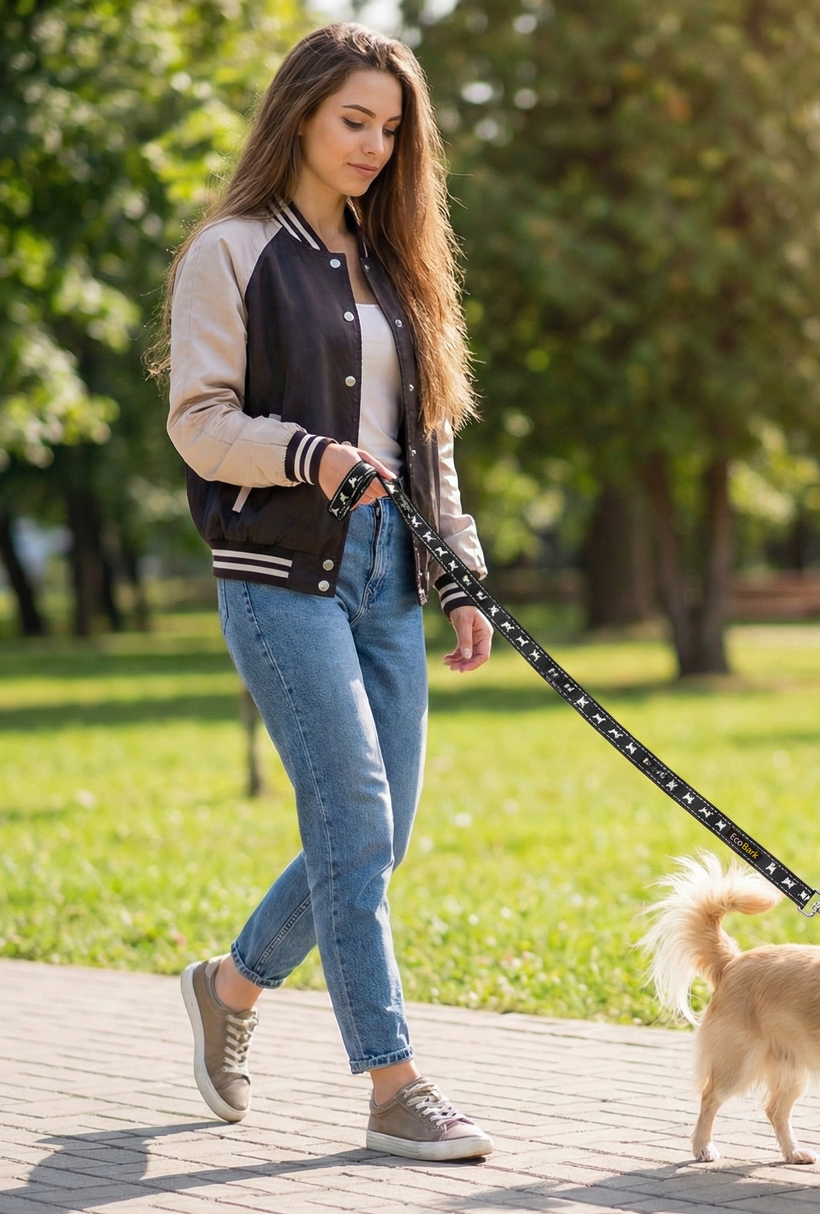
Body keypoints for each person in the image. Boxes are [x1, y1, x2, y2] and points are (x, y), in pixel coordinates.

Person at [155, 22, 495, 1161]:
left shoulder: (400, 268)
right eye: (354, 119)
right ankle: (394, 1085)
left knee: (376, 835)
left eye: (392, 129)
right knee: (354, 816)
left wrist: (459, 573)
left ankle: (229, 988)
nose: (373, 144)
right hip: (276, 573)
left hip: (387, 579)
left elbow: (430, 440)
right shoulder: (232, 249)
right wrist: (310, 455)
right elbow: (199, 424)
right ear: (299, 112)